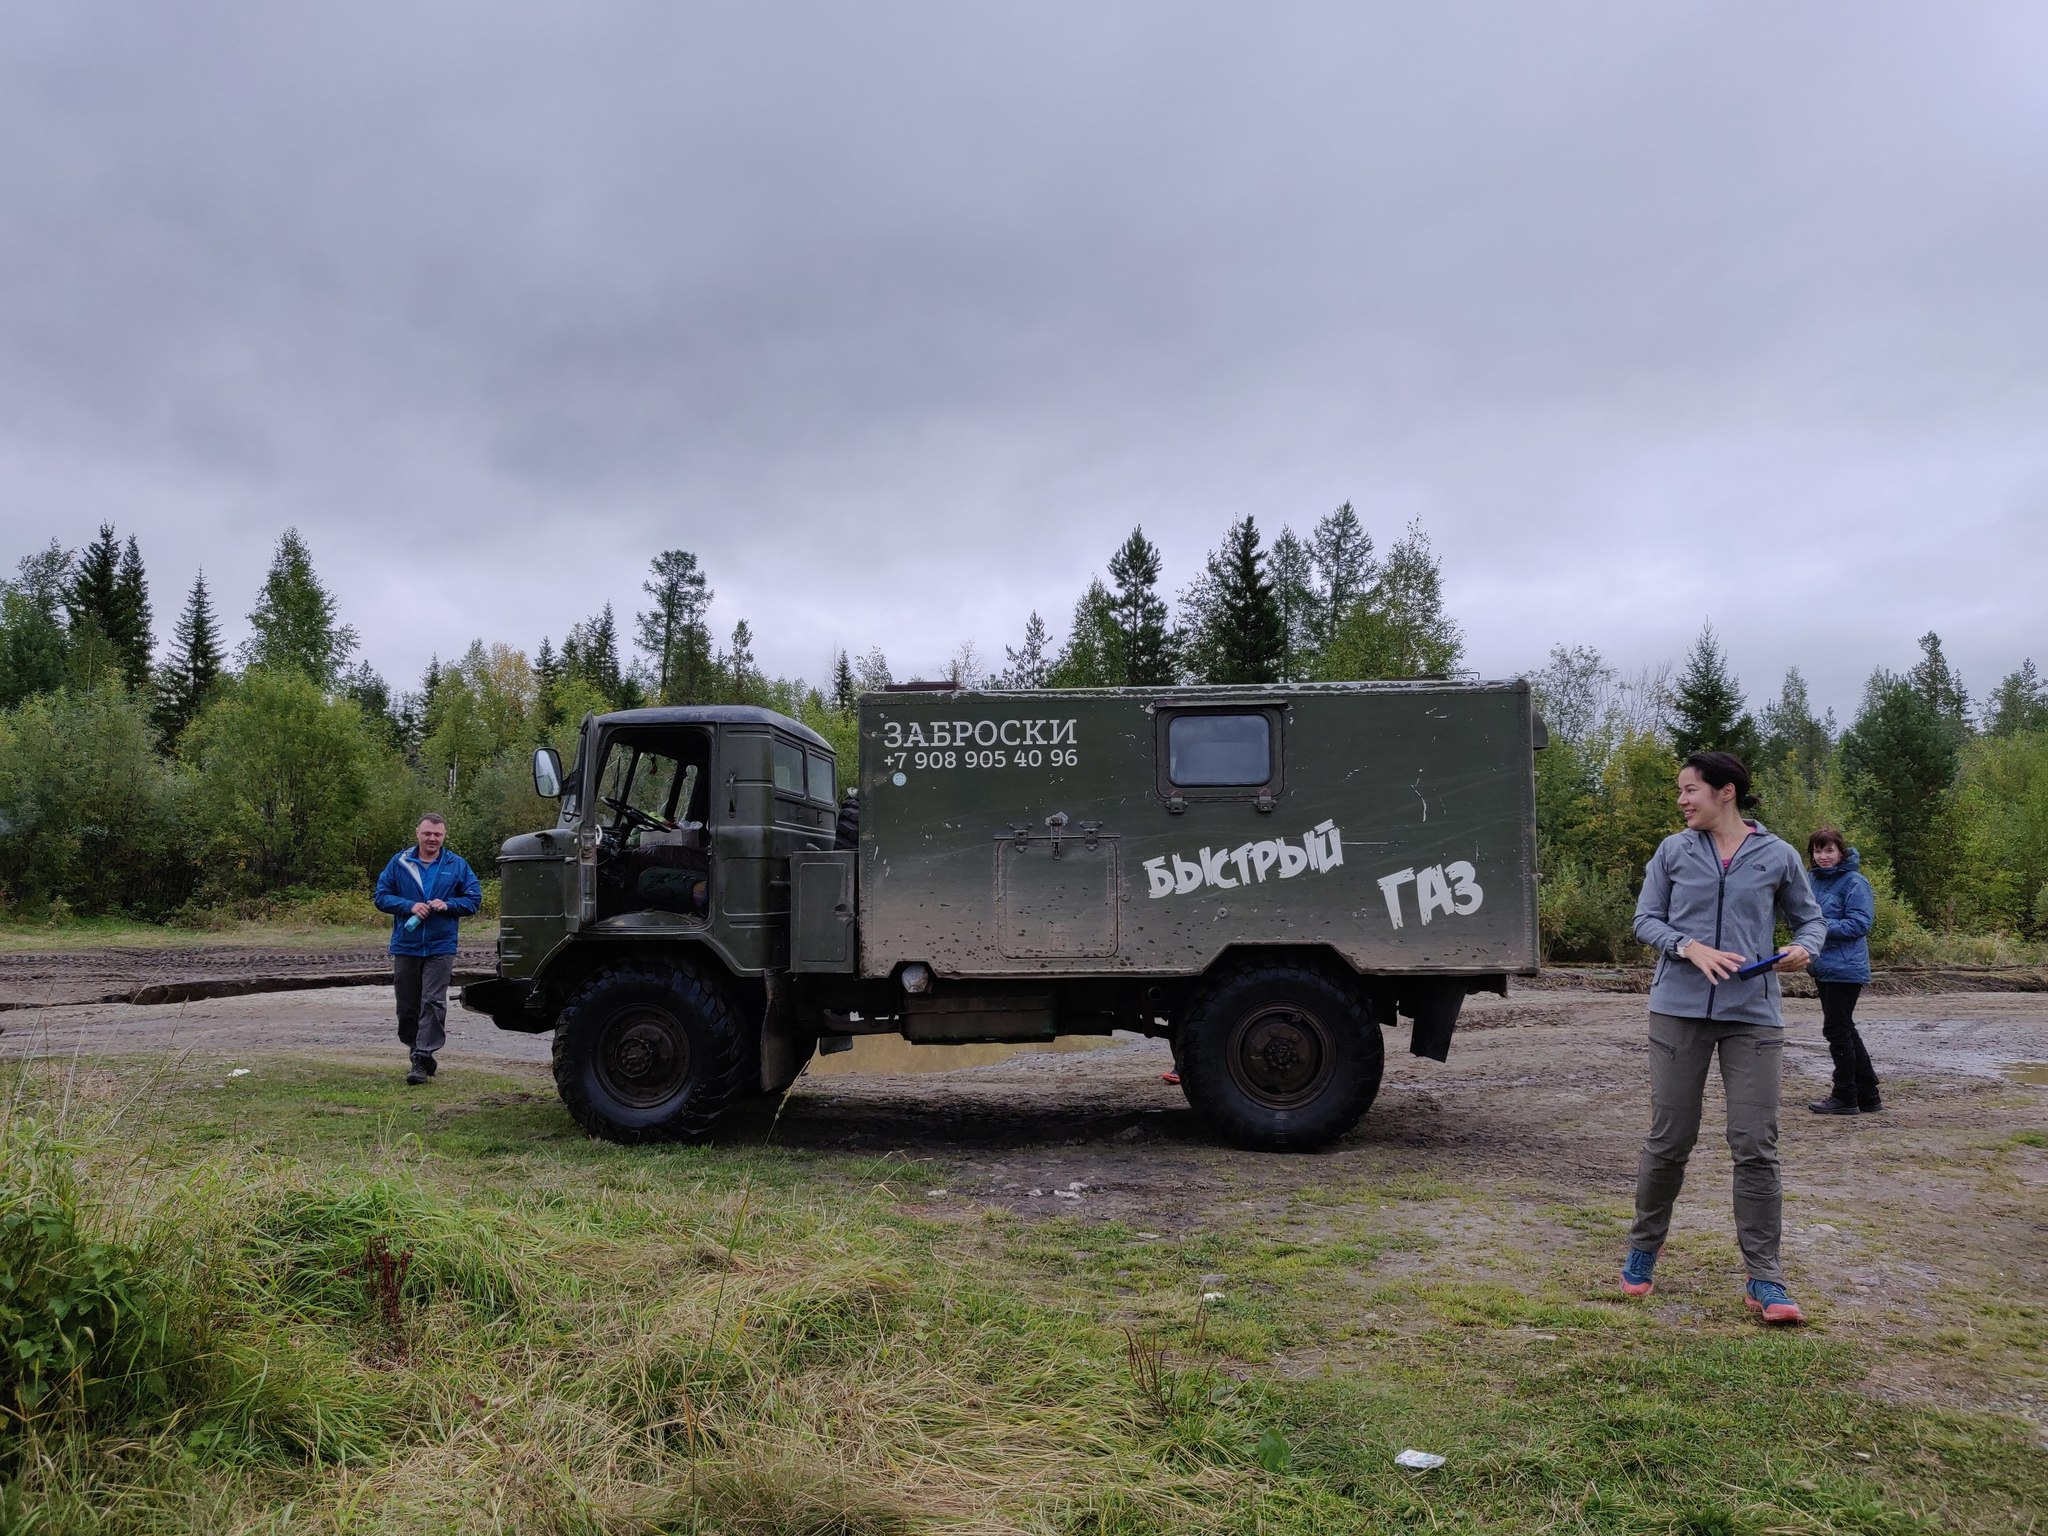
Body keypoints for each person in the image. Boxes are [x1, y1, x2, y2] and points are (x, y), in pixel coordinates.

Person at [1622, 751, 1828, 1325]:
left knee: (1756, 1144)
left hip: (1753, 1015)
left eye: (1691, 790)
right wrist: (1688, 946)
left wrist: (1802, 950)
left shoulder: (1778, 855)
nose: (1683, 800)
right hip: (1677, 1012)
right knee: (1669, 1138)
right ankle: (1644, 1248)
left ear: (1726, 792)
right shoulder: (1672, 851)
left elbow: (1811, 920)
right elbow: (1645, 919)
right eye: (1680, 792)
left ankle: (1764, 1276)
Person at [373, 814, 482, 1086]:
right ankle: (416, 1049)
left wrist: (448, 905)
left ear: (444, 836)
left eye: (438, 835)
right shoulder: (399, 863)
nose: (432, 839)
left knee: (432, 1001)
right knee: (407, 1007)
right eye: (427, 834)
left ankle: (422, 1058)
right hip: (406, 945)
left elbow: (473, 900)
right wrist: (408, 906)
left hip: (440, 946)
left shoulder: (456, 865)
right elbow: (381, 896)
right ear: (417, 833)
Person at [1804, 827, 1880, 1115]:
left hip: (1847, 967)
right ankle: (1868, 1094)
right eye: (1817, 851)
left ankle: (1845, 1095)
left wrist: (1819, 927)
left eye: (1828, 850)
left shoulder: (1854, 882)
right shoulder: (1810, 880)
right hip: (1822, 966)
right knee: (1845, 1028)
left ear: (1841, 852)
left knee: (1836, 1029)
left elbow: (1860, 924)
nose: (1823, 856)